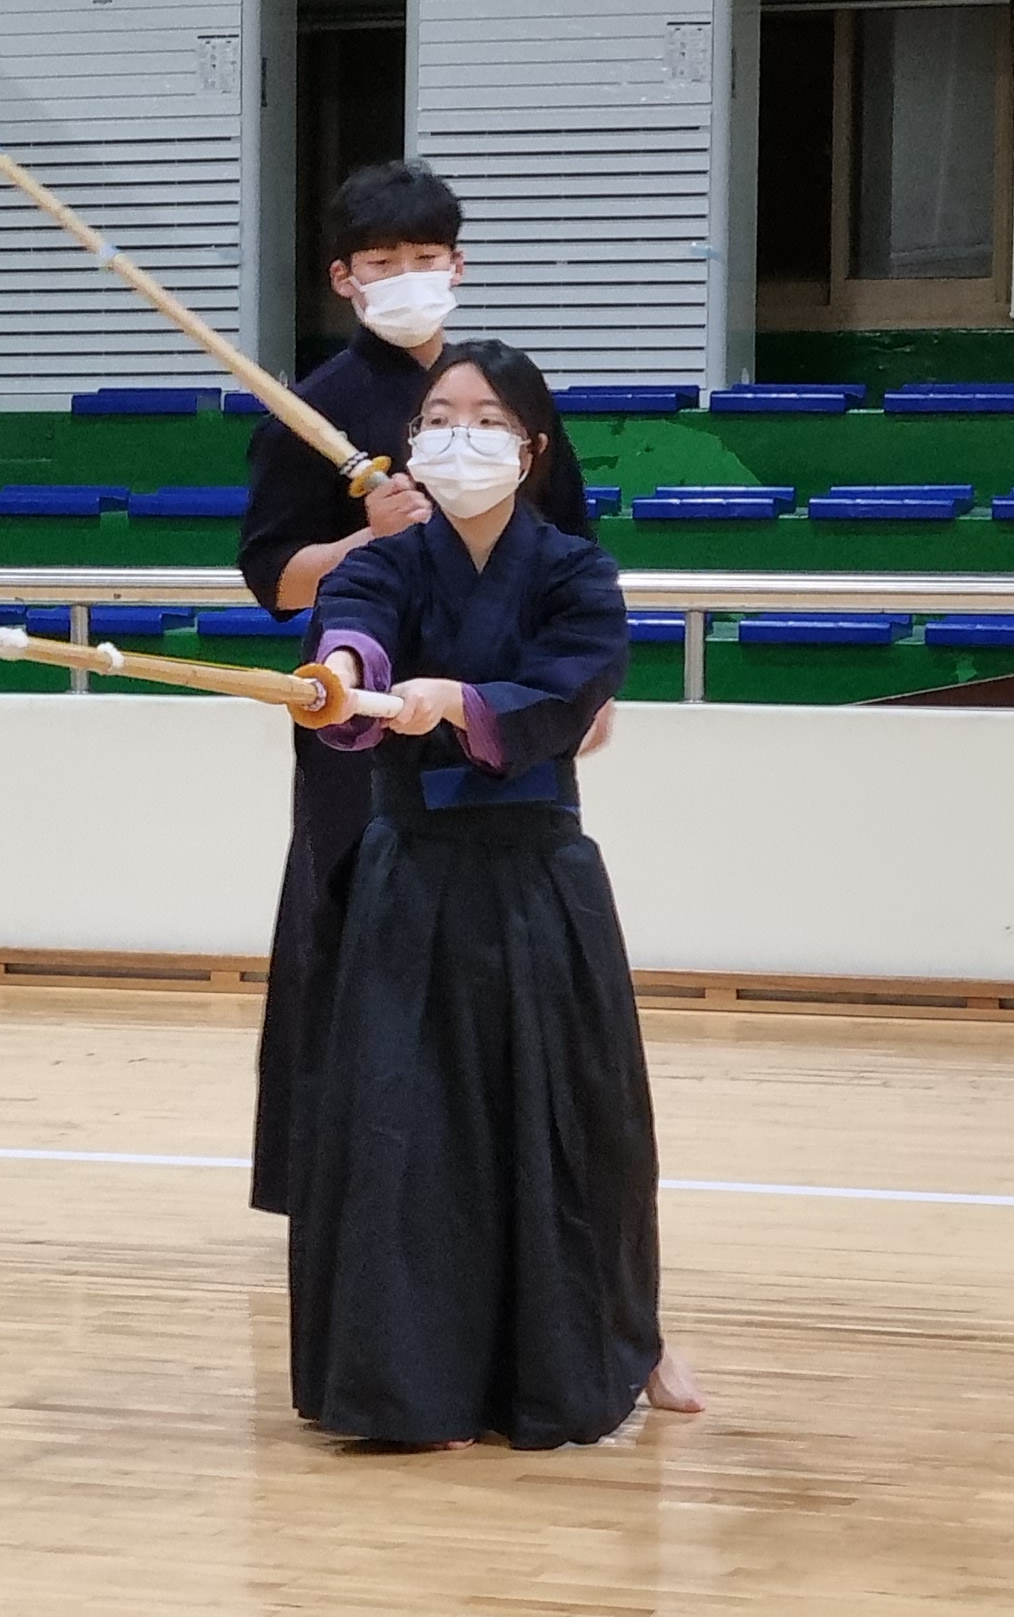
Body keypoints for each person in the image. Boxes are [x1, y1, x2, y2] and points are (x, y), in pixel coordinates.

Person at [284, 339, 700, 1448]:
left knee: (572, 1124)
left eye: (484, 420)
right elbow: (354, 626)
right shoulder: (388, 561)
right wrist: (349, 679)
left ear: (531, 448)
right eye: (437, 417)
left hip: (535, 881)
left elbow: (572, 689)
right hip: (410, 875)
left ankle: (600, 1349)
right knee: (403, 1128)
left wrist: (459, 703)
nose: (455, 437)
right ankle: (410, 1384)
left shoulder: (576, 572)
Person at [236, 161, 595, 1218]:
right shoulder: (313, 409)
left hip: (500, 703)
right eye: (382, 262)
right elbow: (275, 580)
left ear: (459, 267)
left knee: (511, 932)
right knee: (351, 919)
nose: (406, 278)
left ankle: (493, 1173)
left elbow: (573, 543)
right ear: (344, 278)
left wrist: (585, 687)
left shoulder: (509, 397)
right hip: (363, 713)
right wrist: (368, 537)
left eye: (425, 258)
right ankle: (335, 1179)